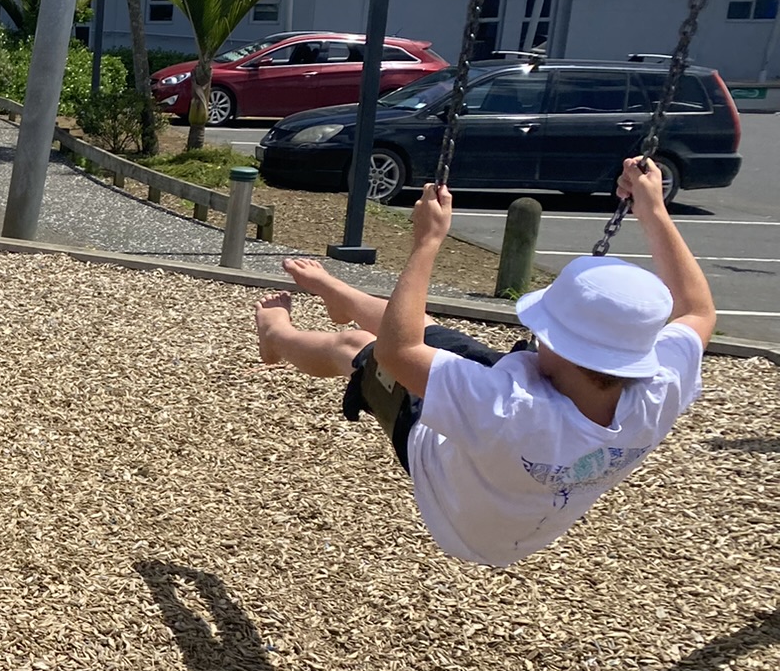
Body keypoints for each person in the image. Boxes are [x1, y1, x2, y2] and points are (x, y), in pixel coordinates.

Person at [253, 158, 715, 568]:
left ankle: (277, 337)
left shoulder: (507, 408)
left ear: (560, 346)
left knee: (356, 346)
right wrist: (653, 210)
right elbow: (699, 311)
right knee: (429, 330)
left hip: (452, 503)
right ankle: (342, 295)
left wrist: (427, 242)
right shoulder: (658, 388)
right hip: (524, 459)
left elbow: (399, 352)